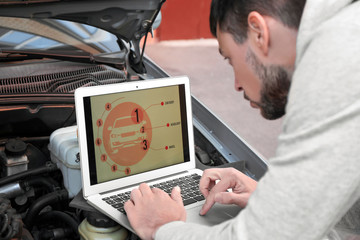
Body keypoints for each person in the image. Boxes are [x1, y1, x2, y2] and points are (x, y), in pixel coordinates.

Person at [124, 0, 360, 239]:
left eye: (230, 59)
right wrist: (269, 200)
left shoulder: (338, 60)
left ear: (258, 32)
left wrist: (162, 227)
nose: (236, 84)